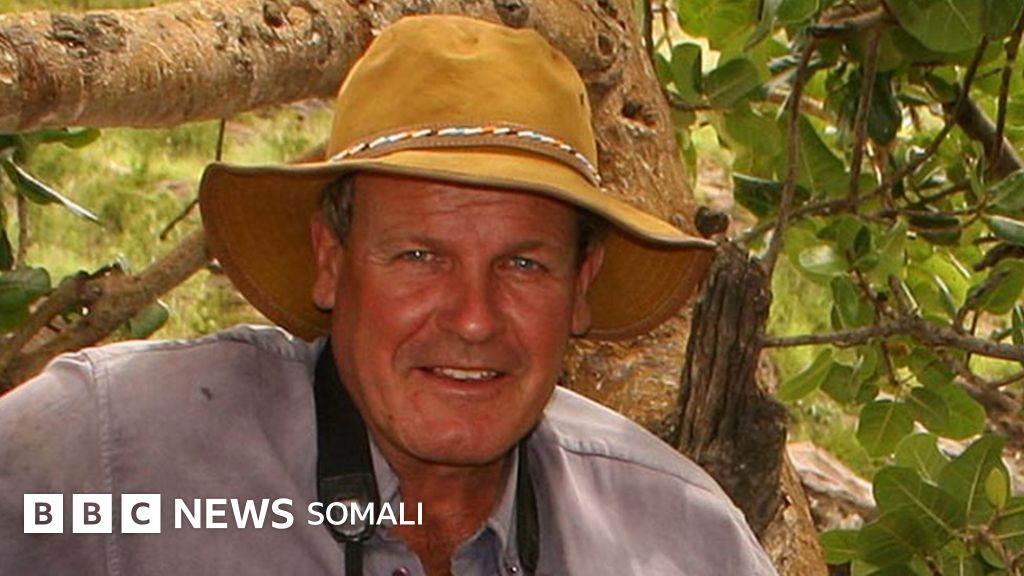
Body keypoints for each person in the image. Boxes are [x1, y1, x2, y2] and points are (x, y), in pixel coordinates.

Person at [0, 15, 776, 576]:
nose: (473, 319)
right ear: (330, 261)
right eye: (418, 256)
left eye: (524, 265)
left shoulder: (680, 540)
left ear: (583, 288)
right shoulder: (118, 456)